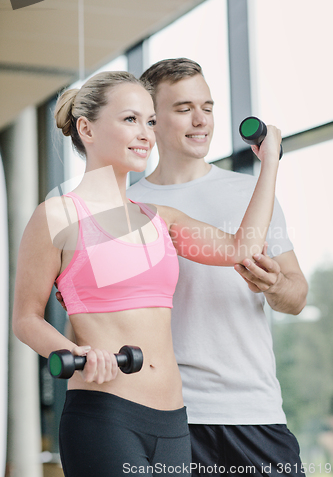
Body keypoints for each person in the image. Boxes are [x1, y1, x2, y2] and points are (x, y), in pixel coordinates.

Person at [13, 70, 282, 477]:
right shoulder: (58, 216)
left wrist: (270, 165)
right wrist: (74, 353)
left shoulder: (159, 219)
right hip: (105, 416)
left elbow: (241, 249)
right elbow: (25, 318)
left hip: (173, 422)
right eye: (130, 120)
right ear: (86, 128)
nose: (145, 134)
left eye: (150, 121)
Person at [127, 58, 308, 476]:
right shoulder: (130, 207)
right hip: (170, 413)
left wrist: (275, 284)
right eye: (184, 108)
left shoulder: (251, 192)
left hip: (254, 408)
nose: (201, 120)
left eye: (207, 107)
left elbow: (296, 297)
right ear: (151, 120)